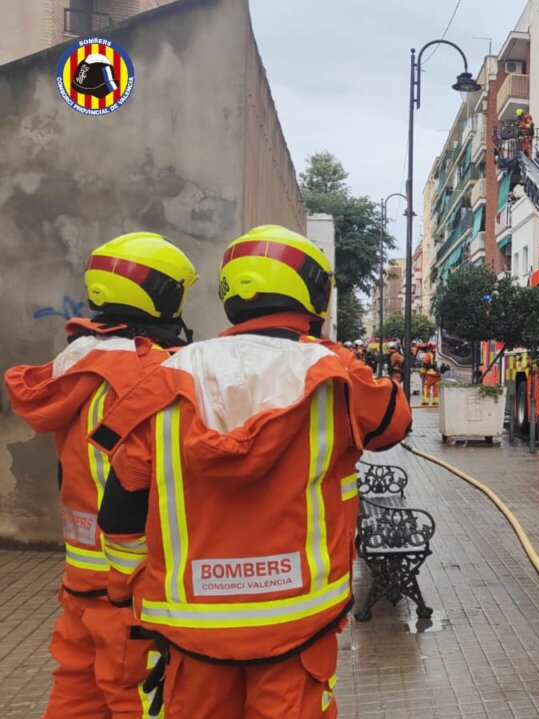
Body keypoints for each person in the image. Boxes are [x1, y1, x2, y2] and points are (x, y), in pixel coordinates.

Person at [92, 225, 412, 718]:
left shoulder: (163, 378)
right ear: (312, 293)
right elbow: (395, 423)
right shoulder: (335, 374)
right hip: (299, 624)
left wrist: (127, 590)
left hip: (190, 627)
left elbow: (120, 511)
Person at [4, 232, 198, 718]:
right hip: (133, 585)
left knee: (75, 696)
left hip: (80, 579)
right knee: (139, 703)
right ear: (165, 295)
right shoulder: (155, 373)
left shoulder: (72, 364)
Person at [421, 341, 441, 407]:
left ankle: (426, 402)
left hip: (429, 374)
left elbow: (425, 364)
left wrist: (422, 373)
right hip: (437, 375)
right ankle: (436, 402)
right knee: (436, 389)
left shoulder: (428, 355)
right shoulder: (439, 355)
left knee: (427, 388)